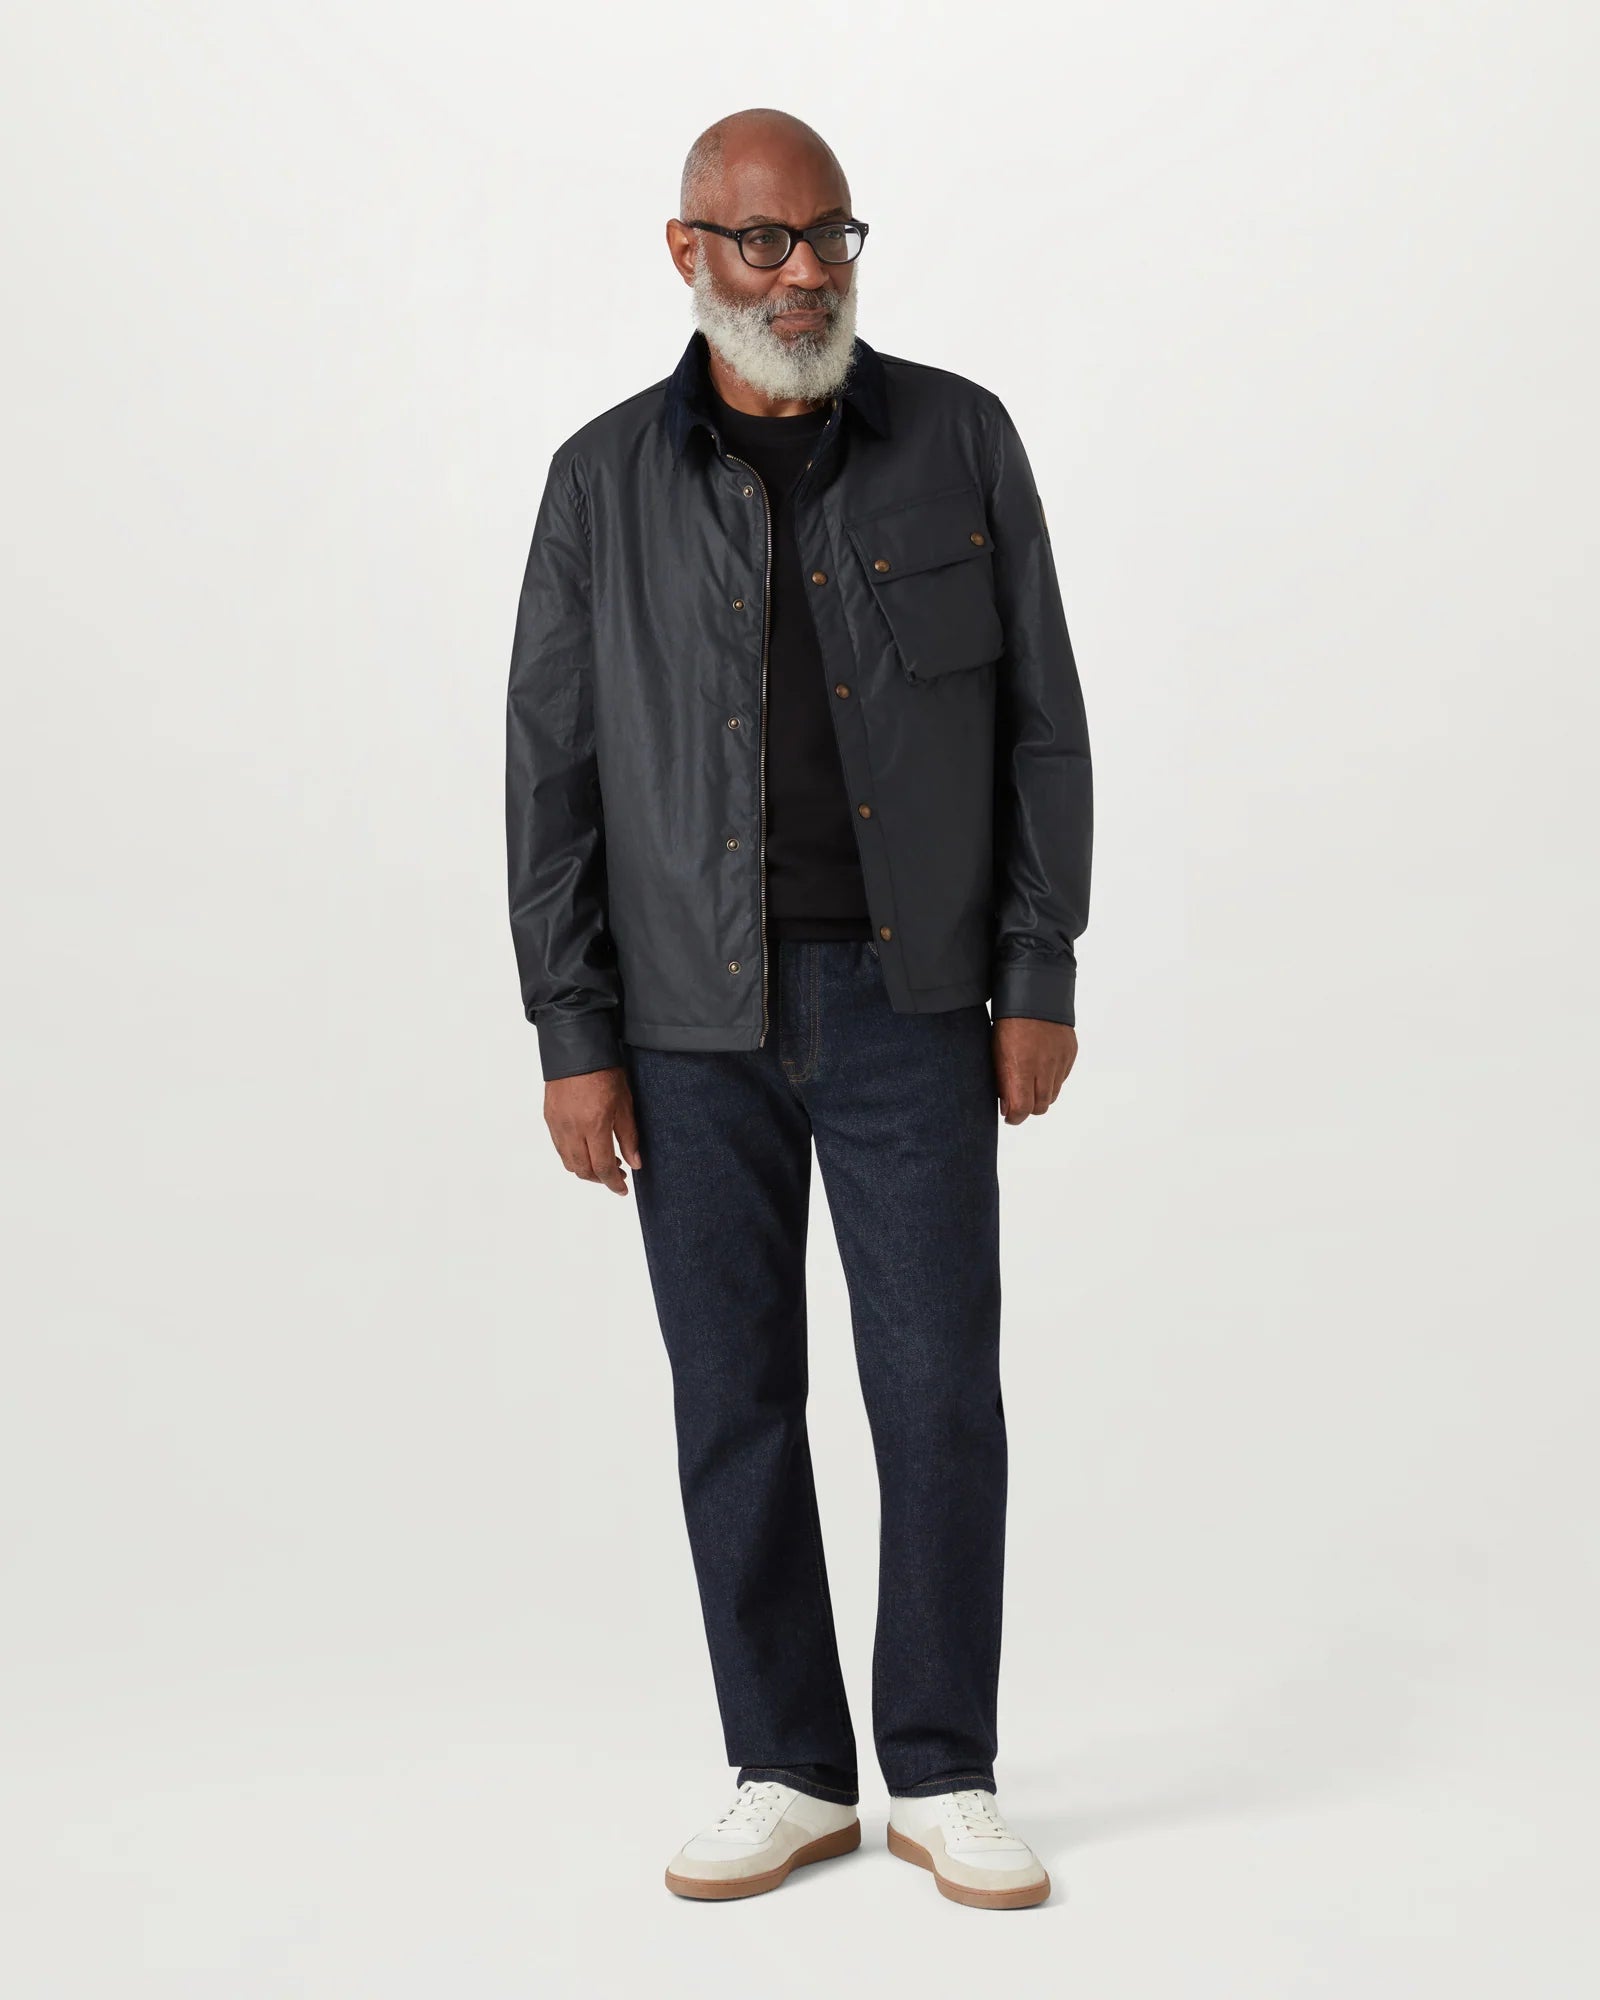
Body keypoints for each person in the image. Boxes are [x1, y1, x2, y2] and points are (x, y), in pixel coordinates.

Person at [505, 107, 1091, 1911]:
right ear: (687, 252)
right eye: (763, 240)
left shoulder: (960, 438)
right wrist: (574, 1033)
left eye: (831, 234)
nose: (803, 272)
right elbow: (552, 773)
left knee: (938, 1394)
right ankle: (787, 1766)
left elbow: (1043, 728)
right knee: (734, 1403)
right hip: (687, 1029)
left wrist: (1038, 972)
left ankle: (943, 1771)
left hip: (913, 1005)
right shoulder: (601, 481)